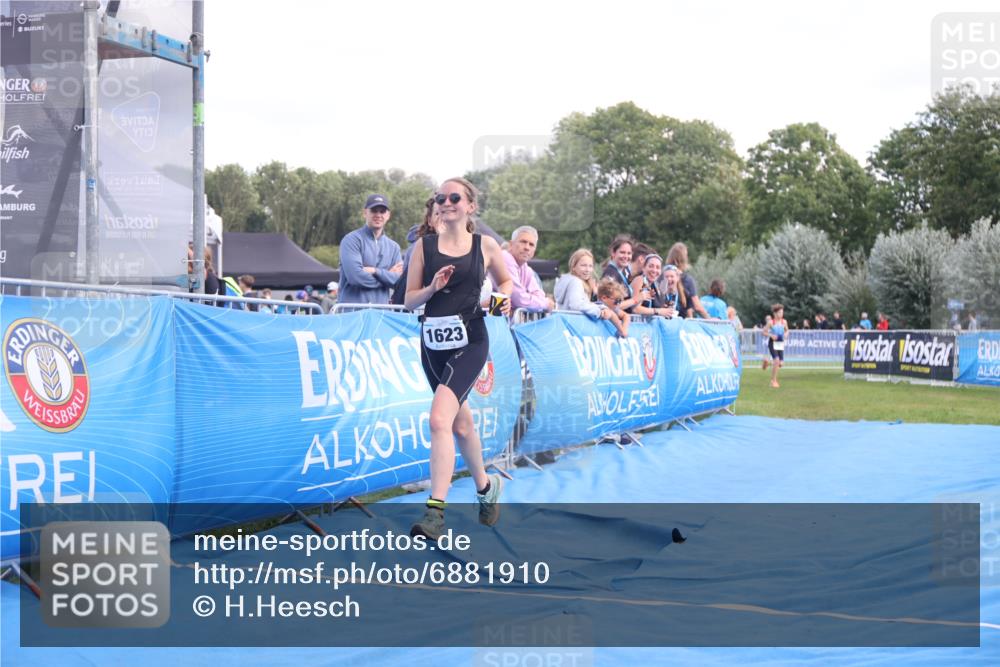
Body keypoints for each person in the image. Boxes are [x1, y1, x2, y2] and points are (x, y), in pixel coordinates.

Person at [404, 177, 513, 541]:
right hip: (433, 345)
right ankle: (486, 488)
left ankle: (435, 513)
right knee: (461, 427)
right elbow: (409, 300)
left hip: (471, 340)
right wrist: (432, 288)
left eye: (454, 197)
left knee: (439, 420)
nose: (446, 202)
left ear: (470, 206)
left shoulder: (485, 246)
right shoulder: (423, 247)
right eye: (441, 198)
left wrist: (500, 301)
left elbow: (506, 283)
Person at [338, 194, 404, 304]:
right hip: (353, 312)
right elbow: (356, 278)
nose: (378, 215)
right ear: (365, 213)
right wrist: (387, 276)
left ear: (388, 215)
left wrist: (375, 271)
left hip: (380, 312)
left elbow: (399, 282)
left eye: (382, 211)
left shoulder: (394, 247)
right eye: (374, 210)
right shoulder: (351, 240)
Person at [554, 248, 629, 336]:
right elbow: (575, 305)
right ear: (573, 266)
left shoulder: (572, 281)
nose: (587, 269)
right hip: (571, 330)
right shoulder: (575, 282)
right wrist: (599, 311)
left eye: (590, 266)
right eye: (583, 265)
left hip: (567, 329)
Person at [498, 226, 554, 313]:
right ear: (511, 244)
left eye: (531, 245)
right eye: (523, 242)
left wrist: (532, 300)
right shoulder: (505, 258)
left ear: (534, 250)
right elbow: (519, 299)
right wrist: (546, 303)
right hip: (491, 317)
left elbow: (539, 294)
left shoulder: (526, 268)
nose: (527, 247)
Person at [662, 242, 710, 319]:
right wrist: (710, 319)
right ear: (684, 259)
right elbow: (697, 306)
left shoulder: (662, 275)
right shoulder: (687, 280)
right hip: (679, 322)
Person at [602, 235, 645, 312]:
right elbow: (611, 305)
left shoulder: (624, 272)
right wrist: (635, 299)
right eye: (622, 252)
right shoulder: (610, 274)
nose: (626, 256)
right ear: (613, 253)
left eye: (629, 253)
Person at [630, 254, 673, 318]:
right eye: (651, 266)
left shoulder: (654, 285)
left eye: (658, 267)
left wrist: (665, 310)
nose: (654, 270)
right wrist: (658, 311)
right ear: (643, 268)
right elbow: (635, 309)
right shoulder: (639, 280)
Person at [765, 304, 787, 388]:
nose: (781, 314)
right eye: (779, 312)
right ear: (775, 313)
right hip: (772, 343)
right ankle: (773, 381)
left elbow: (787, 330)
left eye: (782, 312)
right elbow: (763, 332)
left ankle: (768, 363)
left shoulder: (784, 322)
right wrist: (771, 335)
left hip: (780, 344)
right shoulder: (771, 322)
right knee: (777, 360)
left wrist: (786, 334)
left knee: (781, 364)